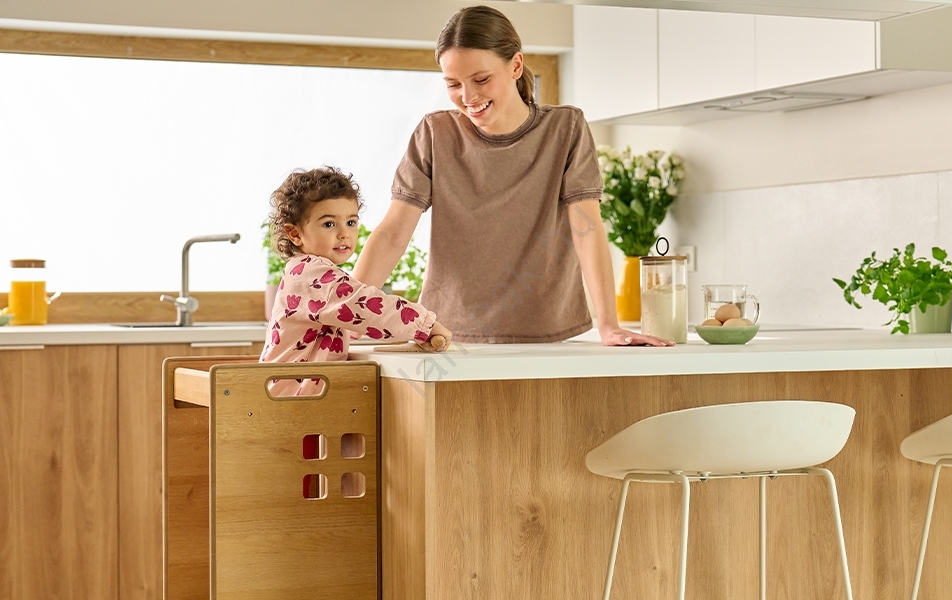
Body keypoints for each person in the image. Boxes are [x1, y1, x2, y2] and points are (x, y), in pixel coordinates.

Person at [352, 5, 671, 347]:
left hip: (545, 332)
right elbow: (392, 234)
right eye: (453, 84)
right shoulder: (434, 133)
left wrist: (609, 325)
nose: (468, 97)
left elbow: (587, 228)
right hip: (446, 335)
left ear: (516, 65)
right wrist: (344, 315)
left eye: (481, 79)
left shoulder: (566, 128)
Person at [260, 166, 452, 395]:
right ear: (295, 234)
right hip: (290, 400)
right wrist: (423, 325)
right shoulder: (312, 275)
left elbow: (342, 318)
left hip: (287, 397)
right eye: (329, 224)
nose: (344, 233)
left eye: (351, 222)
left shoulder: (306, 271)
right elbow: (364, 305)